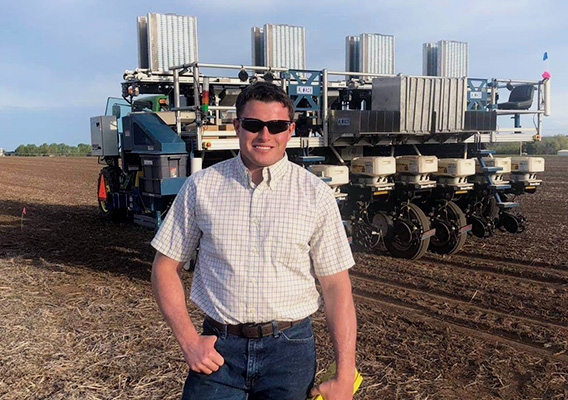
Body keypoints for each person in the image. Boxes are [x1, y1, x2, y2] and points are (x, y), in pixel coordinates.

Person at [151, 81, 357, 400]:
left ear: (290, 130)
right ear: (237, 126)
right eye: (253, 124)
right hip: (219, 352)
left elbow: (336, 287)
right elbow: (164, 267)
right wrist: (189, 341)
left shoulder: (316, 195)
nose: (264, 135)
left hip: (290, 353)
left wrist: (345, 374)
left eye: (275, 125)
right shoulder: (200, 188)